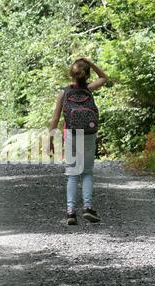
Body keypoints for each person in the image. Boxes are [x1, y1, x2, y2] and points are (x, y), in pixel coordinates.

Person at [48, 58, 109, 225]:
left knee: (72, 174)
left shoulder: (64, 93)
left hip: (71, 134)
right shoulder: (88, 89)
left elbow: (55, 119)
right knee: (87, 172)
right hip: (89, 133)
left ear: (71, 74)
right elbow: (104, 78)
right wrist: (90, 62)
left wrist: (50, 140)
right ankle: (88, 208)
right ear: (86, 75)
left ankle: (70, 212)